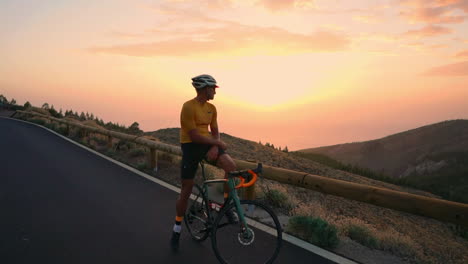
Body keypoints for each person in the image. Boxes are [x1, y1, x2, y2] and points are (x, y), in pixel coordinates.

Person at [170, 74, 237, 251]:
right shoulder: (188, 107)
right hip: (191, 146)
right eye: (212, 88)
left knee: (231, 167)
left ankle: (223, 204)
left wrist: (215, 144)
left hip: (207, 145)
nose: (215, 91)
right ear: (203, 88)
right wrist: (215, 143)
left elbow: (215, 130)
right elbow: (193, 136)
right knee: (186, 189)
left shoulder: (212, 108)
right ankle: (176, 228)